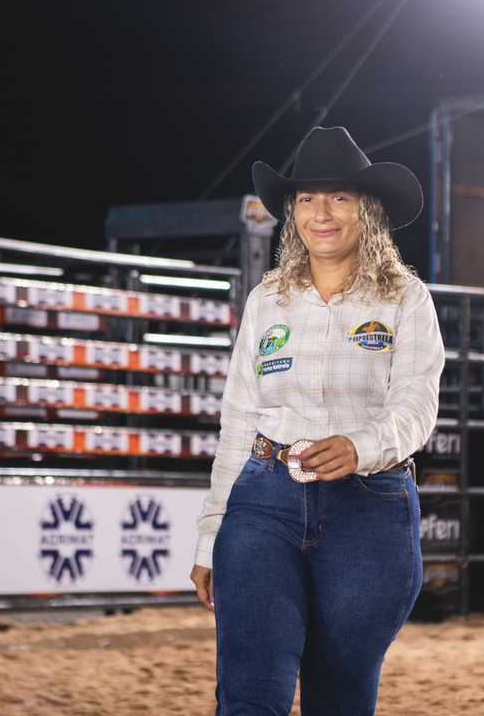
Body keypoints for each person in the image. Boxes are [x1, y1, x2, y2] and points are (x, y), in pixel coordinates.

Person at [189, 126, 445, 715]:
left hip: (369, 508)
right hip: (264, 500)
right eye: (306, 198)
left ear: (367, 210)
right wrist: (210, 536)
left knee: (340, 699)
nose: (320, 213)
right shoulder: (267, 299)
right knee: (249, 695)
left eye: (339, 197)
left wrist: (361, 446)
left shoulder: (406, 299)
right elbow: (238, 420)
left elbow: (416, 405)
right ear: (292, 211)